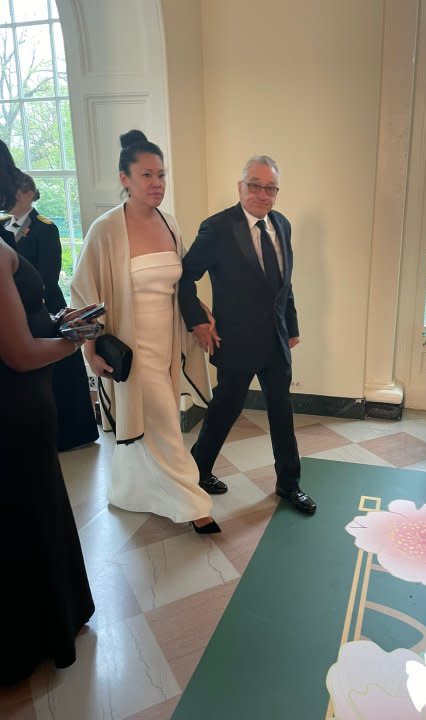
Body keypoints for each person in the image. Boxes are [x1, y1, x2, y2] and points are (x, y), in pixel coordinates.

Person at [71, 129, 220, 533]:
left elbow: (182, 282)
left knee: (155, 418)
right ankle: (192, 503)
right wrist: (90, 349)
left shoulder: (170, 224)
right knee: (165, 424)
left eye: (161, 175)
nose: (157, 184)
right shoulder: (106, 229)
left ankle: (131, 490)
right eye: (146, 175)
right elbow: (83, 290)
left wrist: (201, 318)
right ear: (125, 179)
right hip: (132, 349)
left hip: (168, 343)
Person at [0, 139, 95, 684]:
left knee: (36, 510)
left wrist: (57, 324)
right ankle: (42, 634)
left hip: (21, 406)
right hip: (15, 406)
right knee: (31, 515)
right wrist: (76, 338)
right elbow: (16, 352)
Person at [179, 155, 317, 515]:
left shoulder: (282, 225)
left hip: (276, 340)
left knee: (281, 411)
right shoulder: (217, 228)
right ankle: (197, 470)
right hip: (236, 341)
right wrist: (197, 321)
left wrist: (292, 324)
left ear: (277, 192)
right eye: (254, 185)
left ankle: (289, 484)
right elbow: (184, 277)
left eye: (270, 187)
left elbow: (284, 281)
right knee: (226, 409)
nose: (262, 193)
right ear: (240, 186)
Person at [2, 171, 99, 451]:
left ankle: (73, 432)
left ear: (30, 194)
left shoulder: (46, 228)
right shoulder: (2, 228)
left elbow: (47, 273)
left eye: (18, 191)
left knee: (62, 375)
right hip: (12, 309)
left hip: (44, 304)